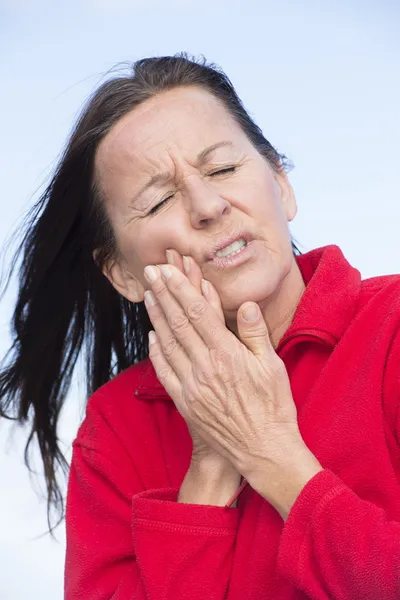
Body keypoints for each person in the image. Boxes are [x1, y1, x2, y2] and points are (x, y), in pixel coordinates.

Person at [1, 53, 400, 600]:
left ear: (281, 184)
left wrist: (270, 455)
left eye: (223, 169)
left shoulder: (391, 326)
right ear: (122, 272)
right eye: (161, 199)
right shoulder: (116, 430)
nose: (209, 206)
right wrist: (209, 471)